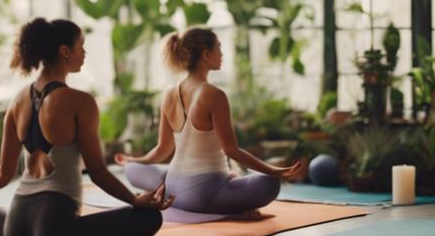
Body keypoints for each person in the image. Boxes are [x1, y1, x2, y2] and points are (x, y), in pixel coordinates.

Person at [0, 17, 173, 236]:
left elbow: (4, 172)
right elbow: (98, 172)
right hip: (56, 235)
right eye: (81, 46)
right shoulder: (80, 102)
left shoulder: (16, 101)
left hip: (16, 230)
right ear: (65, 51)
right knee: (149, 217)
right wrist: (134, 199)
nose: (84, 53)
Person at [116, 27, 304, 216]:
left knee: (132, 169)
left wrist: (133, 160)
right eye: (218, 48)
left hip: (172, 188)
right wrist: (274, 171)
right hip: (205, 193)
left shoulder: (169, 93)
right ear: (206, 54)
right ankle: (235, 209)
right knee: (269, 183)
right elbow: (231, 150)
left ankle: (158, 191)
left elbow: (162, 149)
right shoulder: (214, 95)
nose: (222, 54)